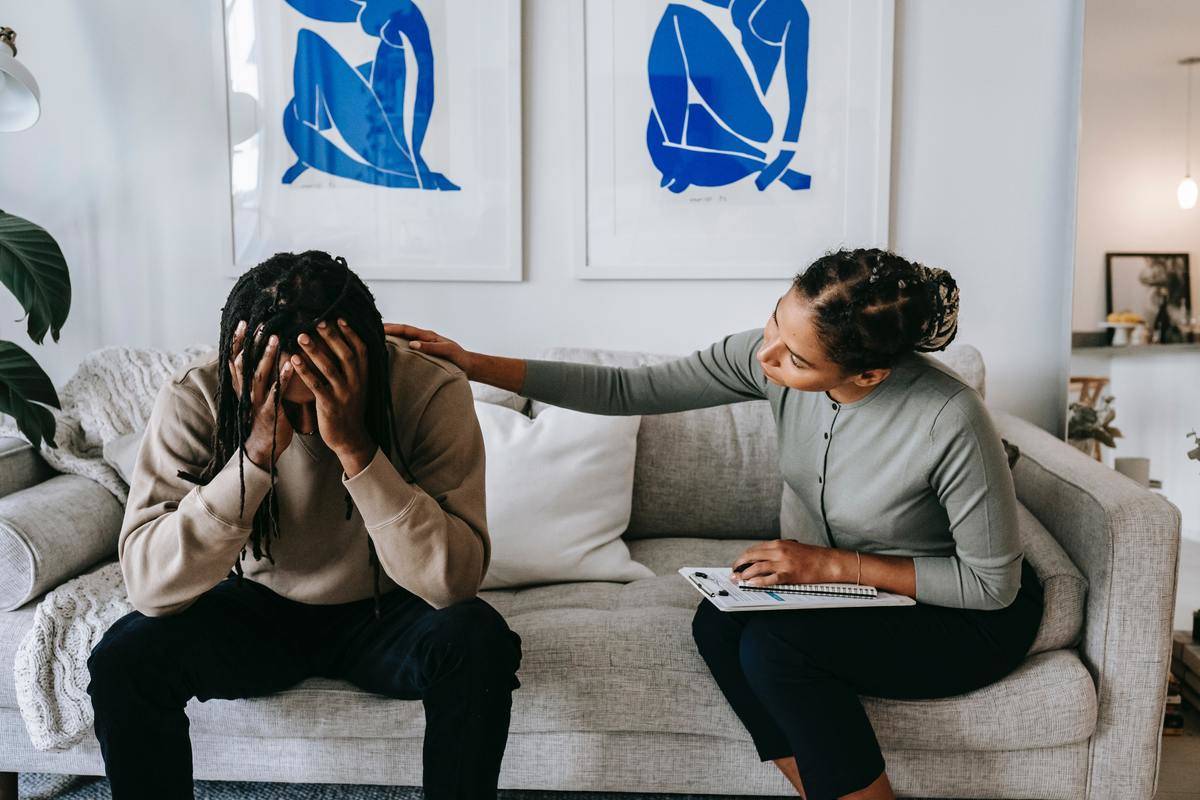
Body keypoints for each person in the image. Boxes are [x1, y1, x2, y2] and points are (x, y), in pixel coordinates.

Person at [382, 247, 1044, 800]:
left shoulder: (948, 416)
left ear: (868, 373)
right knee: (719, 621)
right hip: (859, 596)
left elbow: (991, 586)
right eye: (774, 323)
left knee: (774, 649)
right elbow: (628, 390)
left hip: (960, 617)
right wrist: (472, 363)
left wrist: (832, 566)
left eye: (797, 359)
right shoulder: (771, 358)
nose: (769, 357)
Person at [86, 251, 520, 799]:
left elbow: (454, 584)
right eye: (293, 406)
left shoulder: (429, 388)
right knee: (124, 656)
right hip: (257, 605)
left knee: (478, 639)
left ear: (364, 359)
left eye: (323, 400)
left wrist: (357, 449)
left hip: (391, 606)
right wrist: (256, 454)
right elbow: (149, 587)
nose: (310, 425)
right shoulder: (198, 393)